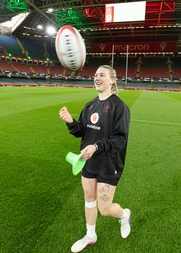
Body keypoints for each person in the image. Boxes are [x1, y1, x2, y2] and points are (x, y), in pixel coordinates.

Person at [59, 65, 131, 252]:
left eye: (102, 75)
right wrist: (70, 122)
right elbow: (81, 131)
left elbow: (120, 139)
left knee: (105, 209)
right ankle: (90, 236)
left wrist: (97, 147)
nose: (97, 78)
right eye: (95, 75)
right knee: (89, 199)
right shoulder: (90, 105)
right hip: (88, 161)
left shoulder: (120, 107)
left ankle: (124, 215)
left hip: (109, 163)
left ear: (112, 80)